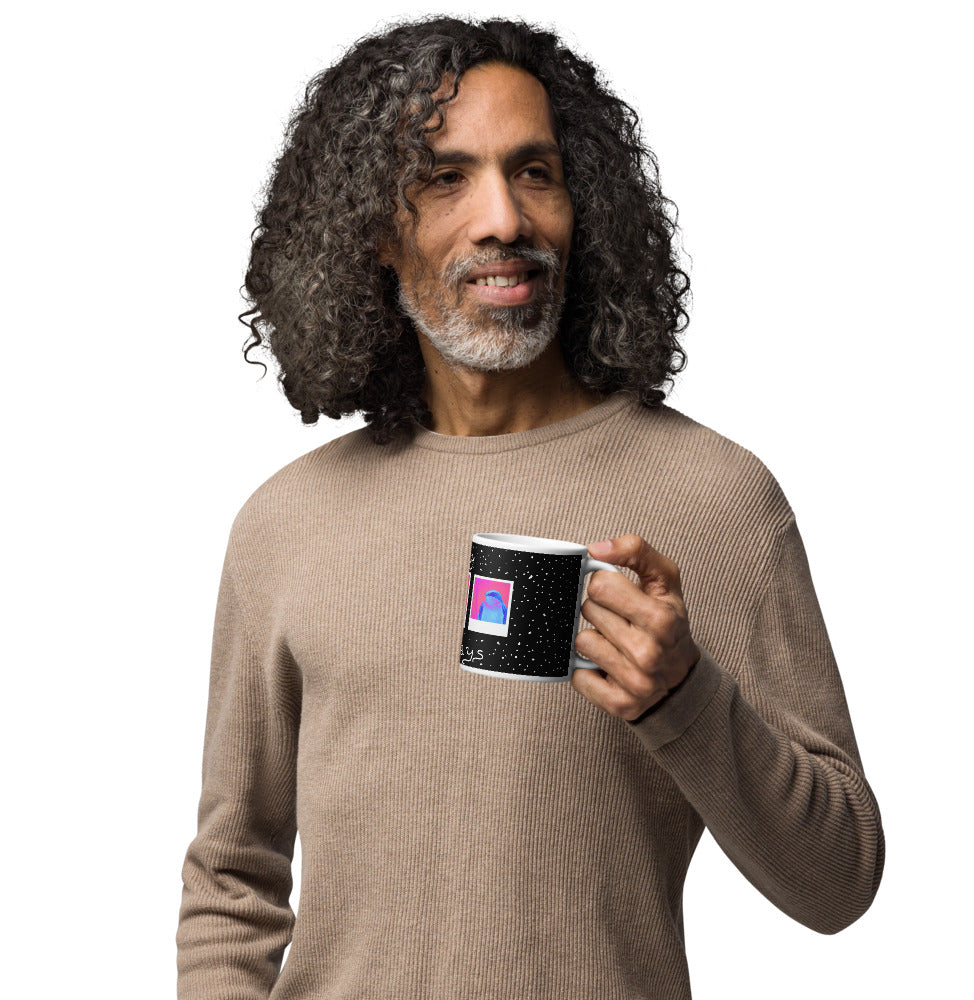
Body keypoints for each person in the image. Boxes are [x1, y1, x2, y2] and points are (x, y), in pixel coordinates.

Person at [177, 16, 884, 1000]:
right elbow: (233, 866)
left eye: (535, 172)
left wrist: (685, 697)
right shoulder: (283, 525)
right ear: (374, 231)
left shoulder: (715, 497)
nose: (502, 218)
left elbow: (838, 877)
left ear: (580, 206)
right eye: (444, 177)